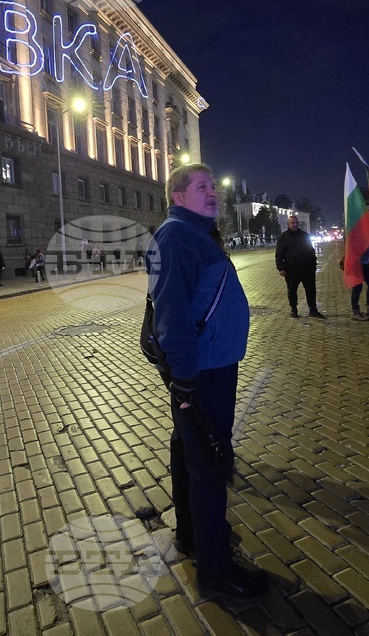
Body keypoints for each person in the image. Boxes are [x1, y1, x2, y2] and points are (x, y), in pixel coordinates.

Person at [145, 162, 267, 598]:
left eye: (214, 185)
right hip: (204, 370)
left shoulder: (195, 233)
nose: (213, 192)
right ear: (178, 196)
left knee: (189, 451)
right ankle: (216, 571)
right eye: (202, 187)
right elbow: (172, 313)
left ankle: (192, 536)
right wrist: (186, 378)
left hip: (208, 366)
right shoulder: (176, 237)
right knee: (212, 464)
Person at [275, 215, 324, 318]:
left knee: (311, 290)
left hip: (307, 269)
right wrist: (281, 268)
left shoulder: (304, 235)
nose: (295, 224)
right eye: (292, 223)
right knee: (292, 290)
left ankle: (313, 310)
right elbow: (279, 254)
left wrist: (313, 264)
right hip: (291, 270)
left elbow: (311, 251)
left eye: (296, 222)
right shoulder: (283, 237)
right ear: (288, 224)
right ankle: (294, 309)